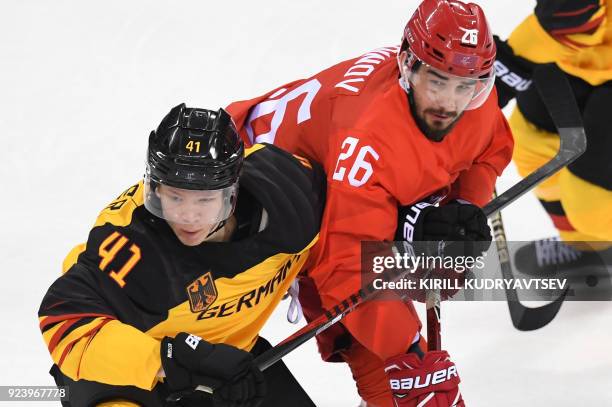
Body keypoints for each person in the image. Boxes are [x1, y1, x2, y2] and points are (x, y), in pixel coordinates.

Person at [226, 0, 514, 405]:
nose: (449, 103)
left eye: (466, 87)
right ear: (407, 66)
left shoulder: (472, 103)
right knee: (389, 363)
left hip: (329, 186)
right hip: (241, 204)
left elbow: (489, 149)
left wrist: (460, 208)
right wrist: (407, 356)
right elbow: (346, 268)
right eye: (436, 82)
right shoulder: (366, 140)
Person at [38, 104, 325, 407]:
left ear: (233, 192)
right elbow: (62, 319)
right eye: (174, 196)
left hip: (226, 364)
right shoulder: (133, 246)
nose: (188, 216)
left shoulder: (291, 197)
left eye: (205, 199)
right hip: (121, 376)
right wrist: (176, 360)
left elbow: (358, 230)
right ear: (155, 189)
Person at [493, 0, 612, 276]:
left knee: (592, 202)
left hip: (580, 37)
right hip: (583, 55)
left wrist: (508, 64)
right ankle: (588, 248)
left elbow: (572, 14)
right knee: (531, 143)